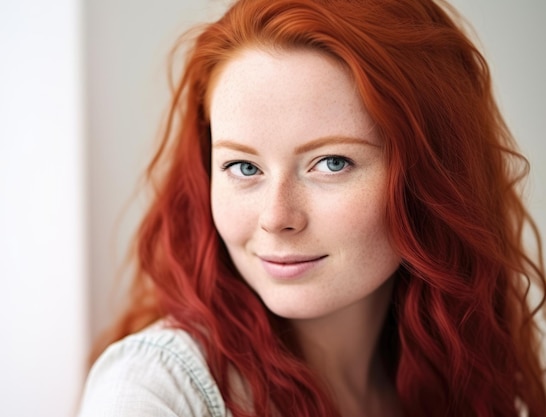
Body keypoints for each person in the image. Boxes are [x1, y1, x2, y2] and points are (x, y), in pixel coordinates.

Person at [78, 0, 546, 416]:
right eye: (243, 167)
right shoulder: (157, 391)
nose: (276, 216)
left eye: (332, 162)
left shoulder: (463, 380)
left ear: (434, 177)